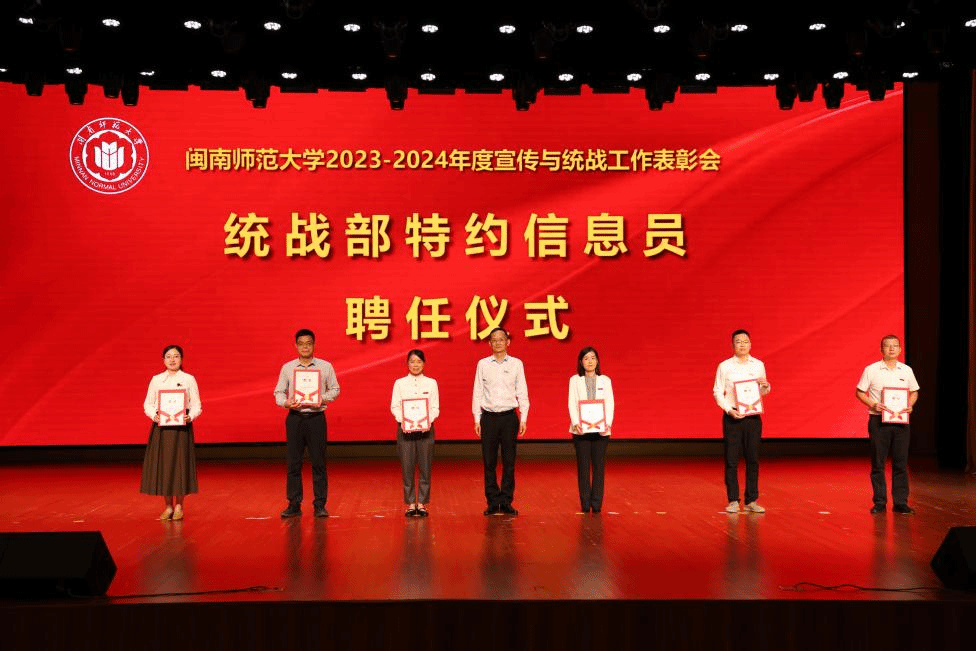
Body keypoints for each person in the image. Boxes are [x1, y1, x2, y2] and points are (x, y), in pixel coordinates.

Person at [274, 328, 340, 518]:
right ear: (296, 346)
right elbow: (278, 392)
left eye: (308, 343)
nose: (305, 347)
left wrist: (321, 398)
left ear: (314, 345)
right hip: (295, 418)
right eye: (301, 344)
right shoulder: (288, 368)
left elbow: (335, 389)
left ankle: (320, 504)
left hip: (316, 418)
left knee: (319, 462)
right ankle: (294, 504)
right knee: (293, 463)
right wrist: (286, 402)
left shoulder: (325, 366)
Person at [855, 335, 920, 514]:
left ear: (900, 349)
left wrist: (910, 405)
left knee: (901, 463)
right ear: (881, 349)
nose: (891, 349)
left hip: (901, 422)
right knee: (878, 463)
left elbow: (914, 392)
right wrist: (873, 404)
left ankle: (900, 503)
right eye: (887, 346)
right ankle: (879, 502)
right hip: (878, 421)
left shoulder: (906, 370)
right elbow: (859, 392)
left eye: (895, 346)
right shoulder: (871, 370)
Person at [713, 329, 771, 513]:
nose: (742, 345)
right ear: (733, 345)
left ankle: (751, 500)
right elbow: (717, 391)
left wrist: (766, 386)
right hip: (733, 416)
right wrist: (729, 410)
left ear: (750, 344)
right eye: (738, 342)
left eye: (745, 341)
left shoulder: (759, 365)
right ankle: (733, 500)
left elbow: (762, 392)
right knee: (731, 460)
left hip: (752, 416)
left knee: (753, 459)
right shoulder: (724, 366)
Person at [472, 327, 529, 516]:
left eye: (501, 339)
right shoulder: (482, 364)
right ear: (489, 343)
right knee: (489, 462)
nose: (498, 343)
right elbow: (477, 392)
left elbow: (522, 391)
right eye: (494, 340)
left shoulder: (516, 364)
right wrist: (477, 418)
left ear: (507, 342)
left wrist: (524, 417)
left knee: (509, 462)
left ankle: (506, 501)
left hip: (509, 418)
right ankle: (492, 501)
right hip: (488, 418)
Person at [140, 344, 201, 520]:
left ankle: (179, 506)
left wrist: (191, 416)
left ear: (181, 359)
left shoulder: (188, 379)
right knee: (165, 467)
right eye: (168, 356)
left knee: (180, 465)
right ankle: (168, 507)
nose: (172, 359)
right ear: (163, 360)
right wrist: (155, 416)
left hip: (182, 427)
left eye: (176, 356)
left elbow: (196, 404)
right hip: (162, 428)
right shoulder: (157, 380)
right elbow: (148, 404)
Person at [390, 349, 440, 517]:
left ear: (424, 364)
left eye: (419, 361)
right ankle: (411, 503)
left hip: (426, 430)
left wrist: (427, 421)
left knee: (425, 467)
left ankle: (422, 503)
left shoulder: (431, 383)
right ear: (407, 364)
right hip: (405, 430)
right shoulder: (400, 383)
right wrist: (404, 421)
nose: (415, 365)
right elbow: (395, 406)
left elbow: (435, 407)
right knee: (407, 467)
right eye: (412, 361)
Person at [568, 346, 615, 514]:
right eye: (586, 358)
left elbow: (610, 403)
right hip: (581, 430)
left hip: (601, 431)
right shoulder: (575, 380)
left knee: (598, 468)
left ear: (597, 361)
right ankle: (585, 503)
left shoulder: (605, 380)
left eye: (593, 358)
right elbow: (572, 402)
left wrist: (607, 423)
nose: (590, 361)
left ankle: (596, 504)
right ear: (581, 362)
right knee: (583, 468)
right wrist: (576, 422)